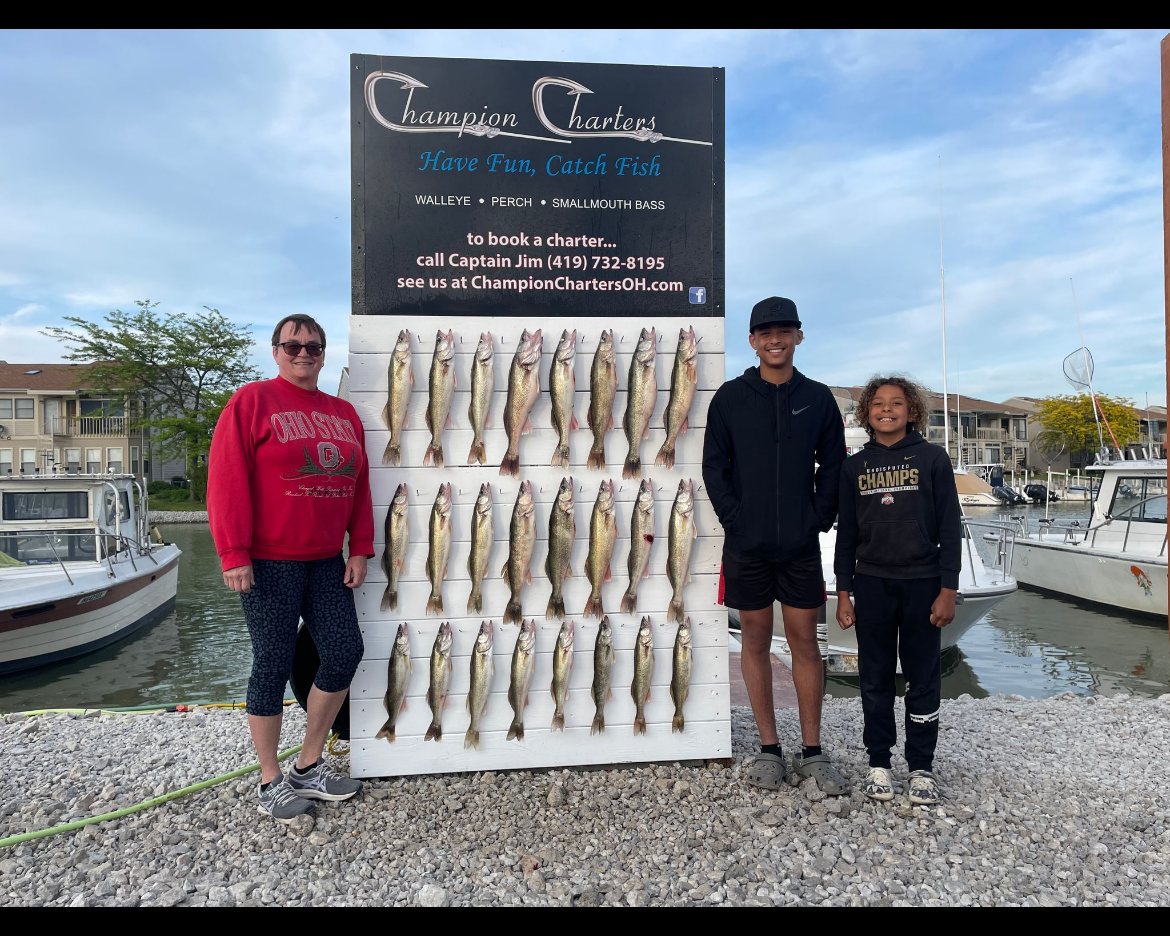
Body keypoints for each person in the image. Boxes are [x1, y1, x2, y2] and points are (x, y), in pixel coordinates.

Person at [208, 314, 374, 822]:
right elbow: (226, 480)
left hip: (326, 561)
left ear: (324, 353)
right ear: (276, 351)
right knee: (272, 665)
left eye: (314, 346)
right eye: (293, 345)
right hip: (268, 563)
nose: (304, 353)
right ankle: (269, 779)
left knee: (345, 651)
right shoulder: (251, 401)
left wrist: (360, 546)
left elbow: (359, 484)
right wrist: (233, 553)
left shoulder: (344, 414)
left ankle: (307, 765)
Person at [703, 296, 847, 794]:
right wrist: (736, 521)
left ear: (799, 337)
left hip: (801, 545)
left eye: (785, 331)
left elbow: (833, 466)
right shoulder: (730, 397)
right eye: (766, 332)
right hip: (748, 544)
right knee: (756, 640)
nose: (775, 339)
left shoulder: (819, 398)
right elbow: (713, 469)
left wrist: (818, 516)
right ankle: (769, 749)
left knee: (806, 642)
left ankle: (812, 750)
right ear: (752, 340)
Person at [833, 376, 960, 806]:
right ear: (866, 413)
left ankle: (921, 766)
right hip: (871, 584)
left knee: (923, 677)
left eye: (897, 403)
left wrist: (948, 589)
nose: (887, 410)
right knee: (876, 676)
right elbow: (846, 535)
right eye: (878, 404)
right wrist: (844, 592)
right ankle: (879, 763)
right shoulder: (854, 467)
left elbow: (949, 529)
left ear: (912, 412)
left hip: (923, 584)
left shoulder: (933, 459)